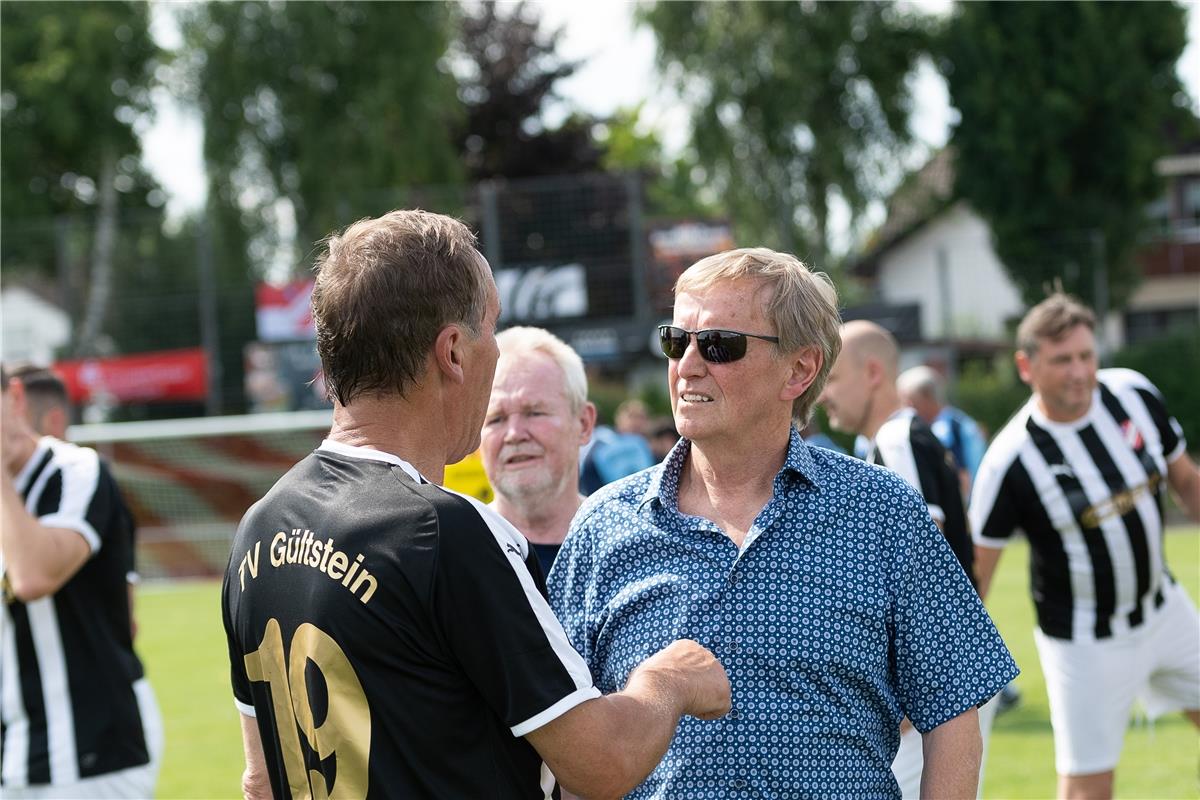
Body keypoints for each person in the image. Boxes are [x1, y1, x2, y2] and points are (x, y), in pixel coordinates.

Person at [221, 210, 731, 800]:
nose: (496, 352)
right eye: (491, 329)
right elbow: (601, 763)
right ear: (455, 352)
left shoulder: (258, 529)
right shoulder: (443, 533)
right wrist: (669, 679)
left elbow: (260, 781)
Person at [549, 247, 1017, 798]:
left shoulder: (883, 512)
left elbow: (955, 707)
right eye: (676, 340)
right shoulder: (605, 526)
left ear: (799, 369)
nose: (688, 364)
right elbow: (565, 731)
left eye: (720, 345)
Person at [970, 293, 1200, 800]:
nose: (1079, 372)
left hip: (1165, 611)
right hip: (1085, 644)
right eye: (1062, 360)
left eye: (1086, 356)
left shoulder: (1133, 395)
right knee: (1087, 790)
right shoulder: (1009, 461)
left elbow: (1186, 482)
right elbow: (975, 583)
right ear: (1026, 366)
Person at [819, 320, 990, 799]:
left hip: (931, 679)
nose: (820, 394)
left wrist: (912, 687)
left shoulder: (895, 441)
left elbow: (923, 552)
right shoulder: (891, 440)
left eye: (831, 379)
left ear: (873, 373)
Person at [0, 365, 163, 798]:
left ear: (14, 398)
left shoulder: (75, 470)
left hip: (88, 752)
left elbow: (33, 576)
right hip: (14, 754)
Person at [480, 326, 597, 576]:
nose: (514, 434)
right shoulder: (452, 556)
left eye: (534, 413)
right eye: (496, 418)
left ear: (584, 424)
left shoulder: (627, 546)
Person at [897, 364, 988, 496]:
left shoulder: (952, 428)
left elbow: (965, 478)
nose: (906, 408)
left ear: (927, 396)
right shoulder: (954, 422)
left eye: (910, 401)